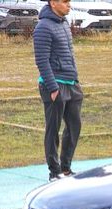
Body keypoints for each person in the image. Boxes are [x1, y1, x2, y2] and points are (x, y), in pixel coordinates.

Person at [33, 0, 84, 182]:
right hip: (54, 85)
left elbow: (70, 54)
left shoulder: (64, 24)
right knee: (53, 129)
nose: (69, 5)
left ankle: (66, 168)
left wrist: (76, 78)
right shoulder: (43, 27)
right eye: (64, 2)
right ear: (53, 3)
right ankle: (54, 173)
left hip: (71, 83)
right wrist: (53, 87)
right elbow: (41, 60)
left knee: (74, 126)